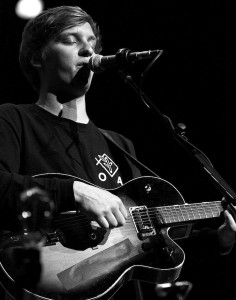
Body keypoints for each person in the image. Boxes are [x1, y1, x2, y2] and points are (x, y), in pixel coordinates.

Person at [0, 5, 235, 300]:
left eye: (91, 43)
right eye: (71, 40)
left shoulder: (120, 146)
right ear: (37, 57)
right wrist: (74, 191)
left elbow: (141, 248)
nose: (87, 50)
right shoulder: (12, 119)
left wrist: (220, 239)